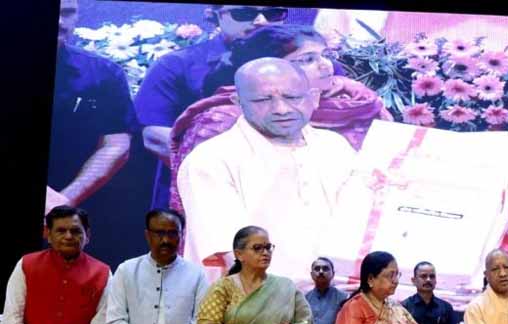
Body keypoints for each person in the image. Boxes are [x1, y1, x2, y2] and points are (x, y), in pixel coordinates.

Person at [168, 24, 389, 214]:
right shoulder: (222, 119)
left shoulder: (359, 103)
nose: (325, 65)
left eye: (326, 55)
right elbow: (207, 203)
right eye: (308, 59)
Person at [177, 57, 356, 285]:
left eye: (292, 97)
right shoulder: (210, 159)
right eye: (263, 100)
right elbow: (233, 256)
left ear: (314, 97)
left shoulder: (335, 146)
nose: (281, 109)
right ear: (238, 102)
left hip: (341, 292)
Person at [135, 5, 289, 209]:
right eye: (244, 13)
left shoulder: (304, 64)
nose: (261, 21)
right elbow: (154, 136)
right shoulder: (176, 64)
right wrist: (230, 177)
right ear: (214, 15)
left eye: (274, 14)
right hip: (198, 197)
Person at [48, 0, 134, 209]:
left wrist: (61, 203)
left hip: (78, 204)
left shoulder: (104, 73)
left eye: (68, 13)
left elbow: (116, 144)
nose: (60, 21)